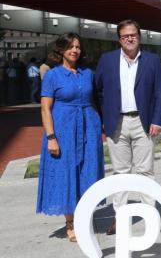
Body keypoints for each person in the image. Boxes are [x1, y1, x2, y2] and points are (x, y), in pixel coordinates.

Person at [94, 19, 161, 235]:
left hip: (143, 123)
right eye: (125, 35)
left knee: (146, 171)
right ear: (119, 39)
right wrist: (104, 119)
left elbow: (160, 93)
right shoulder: (107, 60)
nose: (129, 38)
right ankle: (120, 216)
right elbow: (98, 91)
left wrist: (157, 120)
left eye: (133, 34)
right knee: (120, 172)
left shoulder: (152, 61)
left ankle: (151, 215)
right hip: (116, 122)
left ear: (139, 36)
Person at [36, 33, 104, 242]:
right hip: (63, 128)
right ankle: (71, 222)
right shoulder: (53, 75)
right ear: (61, 50)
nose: (75, 50)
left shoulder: (87, 73)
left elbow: (97, 99)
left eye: (77, 47)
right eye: (70, 47)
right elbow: (45, 109)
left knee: (88, 171)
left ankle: (85, 216)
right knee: (66, 173)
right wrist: (51, 137)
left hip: (88, 127)